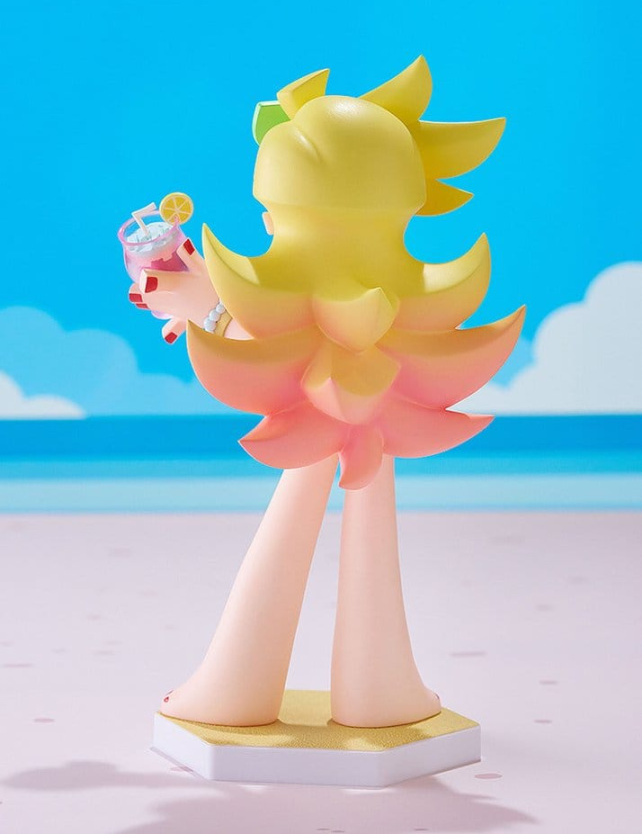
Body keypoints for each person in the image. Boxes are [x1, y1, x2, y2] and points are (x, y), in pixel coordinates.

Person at [127, 57, 524, 728]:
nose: (267, 226)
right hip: (362, 402)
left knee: (296, 526)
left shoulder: (331, 302)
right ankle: (371, 692)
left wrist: (205, 308)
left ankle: (243, 689)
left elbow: (270, 334)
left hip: (330, 401)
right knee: (358, 527)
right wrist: (207, 301)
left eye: (274, 213)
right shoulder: (388, 298)